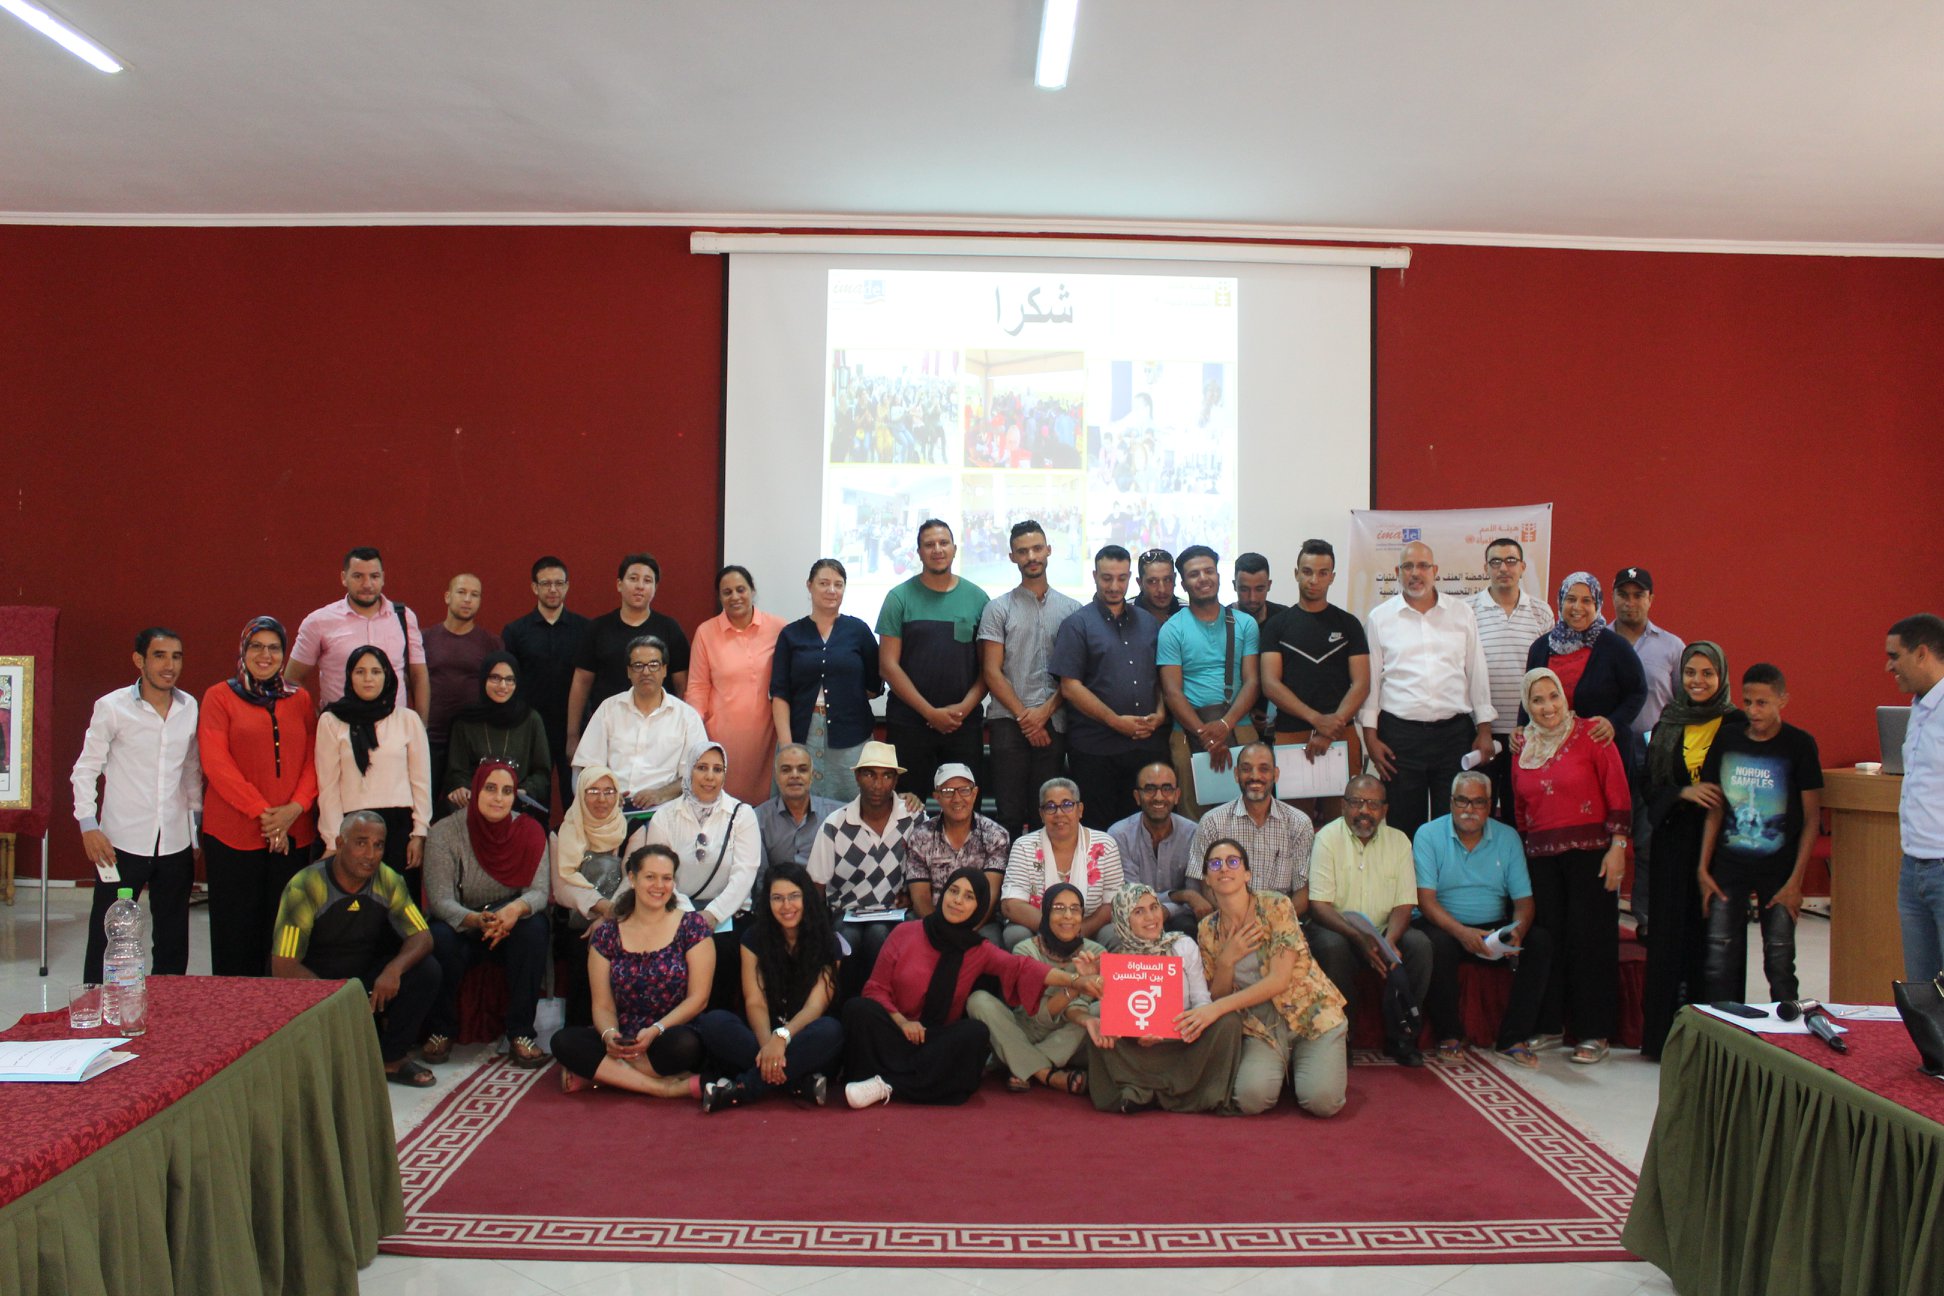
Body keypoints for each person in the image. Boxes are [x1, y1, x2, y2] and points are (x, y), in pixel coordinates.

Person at [840, 867, 1099, 1107]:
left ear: (978, 907)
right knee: (858, 1009)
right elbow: (875, 989)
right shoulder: (905, 932)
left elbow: (1022, 968)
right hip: (895, 1031)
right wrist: (902, 1022)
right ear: (943, 895)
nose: (957, 901)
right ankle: (913, 1082)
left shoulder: (978, 949)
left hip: (935, 1040)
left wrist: (1076, 981)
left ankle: (886, 1083)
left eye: (968, 896)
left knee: (974, 1035)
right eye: (953, 891)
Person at [1511, 668, 1632, 1065]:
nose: (1547, 707)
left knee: (1591, 941)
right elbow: (1521, 810)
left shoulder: (1593, 735)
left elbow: (1618, 792)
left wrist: (1618, 846)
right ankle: (1550, 1025)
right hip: (1542, 858)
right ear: (1527, 705)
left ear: (1565, 697)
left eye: (1553, 697)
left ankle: (1594, 1032)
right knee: (1550, 941)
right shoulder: (1522, 746)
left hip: (1592, 854)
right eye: (1538, 700)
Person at [270, 810, 440, 1087]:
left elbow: (423, 937)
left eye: (378, 845)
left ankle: (391, 1058)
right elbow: (283, 965)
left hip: (362, 980)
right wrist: (339, 1001)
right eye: (361, 842)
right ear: (340, 843)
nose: (370, 854)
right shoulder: (305, 885)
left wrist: (393, 970)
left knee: (426, 970)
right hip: (316, 984)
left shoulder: (388, 880)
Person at [72, 626, 202, 983]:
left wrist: (195, 834)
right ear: (139, 660)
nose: (169, 665)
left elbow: (191, 770)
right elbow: (85, 770)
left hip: (174, 841)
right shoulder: (112, 707)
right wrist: (88, 825)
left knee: (174, 936)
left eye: (176, 656)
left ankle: (168, 1005)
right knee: (108, 933)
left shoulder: (189, 707)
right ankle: (98, 1004)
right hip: (121, 841)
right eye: (160, 655)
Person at [1184, 838, 1348, 1116]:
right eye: (1215, 864)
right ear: (1207, 880)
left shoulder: (1275, 906)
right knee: (1251, 1099)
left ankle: (1306, 1063)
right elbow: (1220, 995)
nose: (1224, 868)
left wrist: (1213, 1009)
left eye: (1233, 861)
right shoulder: (1206, 930)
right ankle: (1285, 1067)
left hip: (1311, 1015)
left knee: (1322, 1102)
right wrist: (1226, 961)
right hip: (1261, 1027)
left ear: (1247, 873)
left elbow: (1278, 981)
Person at [198, 616, 319, 977]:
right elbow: (216, 763)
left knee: (284, 935)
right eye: (256, 646)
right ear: (243, 650)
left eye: (274, 647)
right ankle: (235, 1017)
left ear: (284, 654)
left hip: (293, 834)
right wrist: (266, 815)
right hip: (234, 835)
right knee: (236, 933)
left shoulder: (300, 699)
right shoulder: (219, 697)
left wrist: (294, 810)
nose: (265, 655)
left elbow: (314, 760)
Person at [1697, 663, 1823, 1005]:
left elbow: (1812, 819)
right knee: (1718, 959)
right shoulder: (1727, 738)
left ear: (1783, 700)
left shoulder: (1799, 745)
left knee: (1780, 961)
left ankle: (1787, 1039)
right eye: (1748, 701)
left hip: (1779, 871)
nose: (1753, 711)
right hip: (1728, 866)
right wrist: (1703, 868)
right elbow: (1715, 807)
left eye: (1762, 703)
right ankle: (1722, 1035)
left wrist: (1797, 881)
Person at [1639, 642, 1742, 1060]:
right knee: (1668, 938)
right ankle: (1664, 1039)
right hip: (1673, 842)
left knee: (1713, 940)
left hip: (1719, 847)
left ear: (1721, 677)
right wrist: (1684, 791)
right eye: (1690, 673)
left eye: (1707, 674)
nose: (1697, 681)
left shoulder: (1735, 724)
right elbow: (1649, 783)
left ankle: (1713, 1041)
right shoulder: (1669, 719)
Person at [1413, 772, 1554, 1067]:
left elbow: (1524, 902)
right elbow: (1426, 902)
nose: (1469, 809)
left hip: (1494, 925)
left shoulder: (1507, 837)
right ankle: (1450, 1035)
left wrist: (1517, 931)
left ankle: (1512, 1038)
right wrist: (1462, 933)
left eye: (1478, 803)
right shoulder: (1428, 835)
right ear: (1451, 802)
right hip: (1446, 925)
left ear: (1490, 806)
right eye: (1462, 801)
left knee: (1539, 941)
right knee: (1435, 944)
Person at [419, 761, 553, 1069]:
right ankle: (442, 1029)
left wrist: (512, 911)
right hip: (464, 922)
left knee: (534, 929)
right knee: (439, 937)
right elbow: (440, 900)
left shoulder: (529, 831)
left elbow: (538, 893)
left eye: (507, 791)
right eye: (490, 789)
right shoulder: (444, 832)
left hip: (510, 921)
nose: (498, 798)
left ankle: (521, 1034)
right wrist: (477, 920)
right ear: (476, 790)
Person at [552, 844, 713, 1098]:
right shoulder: (607, 933)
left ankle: (606, 1076)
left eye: (666, 878)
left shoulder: (692, 927)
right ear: (632, 878)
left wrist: (656, 1030)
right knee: (563, 1042)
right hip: (623, 1035)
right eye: (650, 877)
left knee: (686, 1046)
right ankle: (661, 1088)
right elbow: (603, 1006)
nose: (658, 886)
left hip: (669, 1031)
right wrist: (609, 1036)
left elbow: (699, 999)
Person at [1360, 541, 1497, 839]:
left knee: (1456, 822)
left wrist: (1484, 729)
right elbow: (1372, 682)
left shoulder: (1461, 614)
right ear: (1397, 572)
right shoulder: (1380, 618)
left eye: (1423, 566)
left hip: (1454, 737)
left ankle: (1449, 886)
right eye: (1408, 566)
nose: (1415, 573)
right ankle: (1410, 886)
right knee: (1404, 824)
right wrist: (1370, 738)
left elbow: (1476, 673)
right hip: (1400, 739)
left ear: (1435, 571)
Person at [1081, 883, 1244, 1113]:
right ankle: (1156, 1092)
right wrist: (1135, 1032)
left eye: (1154, 907)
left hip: (1184, 1045)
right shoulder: (1118, 959)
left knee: (1229, 1022)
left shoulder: (1183, 945)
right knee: (1097, 1019)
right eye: (1138, 911)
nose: (1151, 917)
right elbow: (1119, 1017)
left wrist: (1190, 1025)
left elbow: (1201, 1000)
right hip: (1139, 1052)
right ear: (1123, 919)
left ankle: (1144, 1091)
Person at [694, 862, 845, 1110]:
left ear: (807, 898)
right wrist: (768, 1048)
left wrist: (782, 1039)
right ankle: (797, 1084)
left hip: (802, 1035)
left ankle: (742, 1089)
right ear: (768, 902)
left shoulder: (829, 941)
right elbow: (754, 1000)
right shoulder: (753, 938)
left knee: (831, 1031)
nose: (786, 906)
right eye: (778, 898)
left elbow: (816, 1006)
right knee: (714, 1022)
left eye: (794, 897)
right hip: (761, 1034)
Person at [1304, 773, 1431, 1064]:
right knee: (1332, 947)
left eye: (1373, 805)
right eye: (1357, 802)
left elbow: (1404, 903)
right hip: (1338, 929)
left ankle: (1402, 1037)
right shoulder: (1326, 839)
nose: (1364, 811)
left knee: (1421, 946)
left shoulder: (1399, 842)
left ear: (1384, 810)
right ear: (1343, 805)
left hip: (1386, 930)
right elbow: (1319, 905)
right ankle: (1341, 1038)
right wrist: (1357, 937)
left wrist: (1388, 943)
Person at [636, 740, 761, 1009]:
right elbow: (658, 875)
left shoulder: (742, 814)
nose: (710, 776)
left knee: (726, 953)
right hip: (675, 911)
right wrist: (689, 916)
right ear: (689, 771)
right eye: (702, 767)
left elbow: (745, 874)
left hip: (728, 915)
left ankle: (719, 1030)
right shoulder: (665, 817)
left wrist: (713, 914)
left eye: (718, 769)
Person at [1051, 545, 1169, 830]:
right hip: (1096, 749)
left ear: (1130, 577)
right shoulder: (1077, 624)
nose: (1114, 586)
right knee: (1100, 831)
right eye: (1107, 578)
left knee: (1143, 829)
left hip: (1145, 746)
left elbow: (1160, 677)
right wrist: (1115, 722)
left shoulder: (1149, 623)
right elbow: (1070, 687)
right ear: (1094, 576)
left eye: (1121, 578)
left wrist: (1162, 712)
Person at [978, 520, 1082, 838]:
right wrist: (1027, 718)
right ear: (1012, 557)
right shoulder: (998, 609)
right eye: (1023, 551)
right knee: (1007, 814)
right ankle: (1007, 885)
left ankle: (1044, 886)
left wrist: (1043, 714)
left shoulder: (1072, 610)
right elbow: (991, 671)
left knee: (1048, 815)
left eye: (1037, 548)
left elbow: (1073, 674)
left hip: (1055, 722)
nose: (1031, 556)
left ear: (1048, 550)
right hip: (1008, 723)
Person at [1260, 540, 1370, 827]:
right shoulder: (1277, 625)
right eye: (1307, 571)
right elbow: (1270, 683)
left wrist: (1331, 726)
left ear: (1332, 576)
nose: (1314, 580)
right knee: (1293, 826)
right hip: (1291, 737)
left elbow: (1361, 684)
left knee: (1345, 826)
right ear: (1296, 573)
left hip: (1340, 736)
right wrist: (1317, 720)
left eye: (1323, 573)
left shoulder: (1349, 624)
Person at [876, 519, 990, 796]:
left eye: (943, 543)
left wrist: (961, 710)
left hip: (963, 724)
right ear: (919, 552)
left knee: (964, 809)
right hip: (909, 724)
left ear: (954, 549)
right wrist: (929, 712)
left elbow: (989, 669)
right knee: (907, 809)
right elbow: (888, 666)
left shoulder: (978, 599)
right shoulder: (898, 598)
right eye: (929, 544)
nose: (937, 549)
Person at [806, 742, 922, 999]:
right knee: (849, 939)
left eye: (886, 776)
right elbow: (816, 885)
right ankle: (850, 1009)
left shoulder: (913, 818)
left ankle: (877, 1007)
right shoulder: (835, 824)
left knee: (879, 934)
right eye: (870, 774)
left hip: (897, 913)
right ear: (857, 776)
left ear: (895, 780)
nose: (878, 784)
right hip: (846, 914)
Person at [967, 882, 1100, 1095]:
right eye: (1059, 908)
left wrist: (1078, 991)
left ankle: (1020, 1062)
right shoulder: (1025, 949)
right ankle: (1047, 1074)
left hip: (1067, 1039)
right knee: (978, 1000)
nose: (1068, 916)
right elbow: (1038, 1016)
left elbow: (1079, 1010)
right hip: (1024, 1030)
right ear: (1045, 913)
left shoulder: (1095, 953)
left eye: (1075, 909)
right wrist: (1076, 982)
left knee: (1101, 1011)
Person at [316, 646, 431, 889]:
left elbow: (421, 781)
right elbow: (328, 786)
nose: (368, 678)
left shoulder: (408, 719)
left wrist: (419, 833)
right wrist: (333, 840)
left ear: (388, 676)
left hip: (399, 829)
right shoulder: (332, 720)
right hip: (352, 825)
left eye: (376, 671)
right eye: (360, 671)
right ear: (349, 676)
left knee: (398, 909)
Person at [1158, 545, 1260, 818]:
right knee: (1194, 818)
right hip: (1188, 731)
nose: (1203, 578)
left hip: (1240, 725)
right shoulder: (1172, 629)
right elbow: (1172, 691)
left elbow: (1252, 682)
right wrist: (1208, 738)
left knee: (1248, 813)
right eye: (1194, 574)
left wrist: (1226, 725)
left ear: (1218, 574)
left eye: (1208, 571)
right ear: (1183, 583)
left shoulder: (1245, 623)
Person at [770, 558, 882, 803]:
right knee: (799, 806)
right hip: (802, 736)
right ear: (809, 586)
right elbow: (780, 694)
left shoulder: (858, 631)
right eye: (824, 583)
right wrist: (787, 747)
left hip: (851, 739)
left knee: (850, 810)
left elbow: (875, 685)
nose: (832, 590)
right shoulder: (790, 635)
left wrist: (846, 695)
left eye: (838, 584)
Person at [1609, 566, 1683, 938]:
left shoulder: (1672, 647)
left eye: (1639, 594)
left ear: (1651, 599)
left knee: (1650, 839)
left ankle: (1647, 918)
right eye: (1624, 594)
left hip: (1655, 758)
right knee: (1607, 837)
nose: (1631, 601)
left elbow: (1684, 704)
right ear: (1613, 597)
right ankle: (1604, 916)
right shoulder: (1596, 641)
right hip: (1607, 755)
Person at [571, 636, 708, 824]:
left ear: (664, 669)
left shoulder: (687, 717)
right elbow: (586, 766)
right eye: (638, 665)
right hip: (610, 811)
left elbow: (696, 775)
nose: (646, 672)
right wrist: (605, 793)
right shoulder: (609, 709)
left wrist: (661, 794)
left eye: (653, 665)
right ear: (628, 671)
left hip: (664, 814)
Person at [567, 553, 691, 760]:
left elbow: (682, 685)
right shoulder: (598, 628)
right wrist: (572, 735)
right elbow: (581, 681)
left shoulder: (670, 629)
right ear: (619, 584)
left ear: (655, 588)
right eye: (633, 579)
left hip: (658, 732)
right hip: (607, 730)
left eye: (647, 580)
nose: (640, 586)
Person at [287, 546, 429, 720]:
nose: (367, 584)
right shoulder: (318, 621)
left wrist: (421, 727)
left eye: (374, 576)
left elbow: (419, 675)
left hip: (395, 733)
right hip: (340, 733)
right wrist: (317, 722)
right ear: (343, 578)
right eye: (358, 576)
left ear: (383, 578)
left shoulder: (404, 617)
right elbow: (292, 679)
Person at [1468, 537, 1554, 824]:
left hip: (1529, 732)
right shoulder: (1467, 611)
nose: (1503, 568)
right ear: (1485, 568)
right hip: (1481, 732)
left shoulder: (1541, 612)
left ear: (1523, 567)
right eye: (1495, 562)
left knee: (1523, 813)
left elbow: (1548, 673)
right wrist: (1481, 727)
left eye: (1510, 561)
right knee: (1481, 810)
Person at [686, 565, 786, 805]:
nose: (735, 597)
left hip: (767, 736)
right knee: (724, 806)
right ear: (719, 597)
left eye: (740, 589)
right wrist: (694, 732)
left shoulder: (778, 627)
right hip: (722, 736)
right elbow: (698, 687)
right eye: (727, 592)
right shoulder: (706, 632)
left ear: (752, 590)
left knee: (765, 808)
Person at [1518, 572, 1646, 752]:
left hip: (1602, 750)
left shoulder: (1616, 647)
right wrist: (1521, 727)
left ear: (1597, 605)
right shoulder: (1541, 647)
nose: (1577, 607)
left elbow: (1637, 692)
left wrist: (1614, 723)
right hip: (1551, 750)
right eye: (1571, 599)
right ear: (1561, 601)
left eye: (1586, 601)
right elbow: (1529, 694)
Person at [500, 556, 591, 804]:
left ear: (567, 586)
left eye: (559, 583)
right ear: (534, 587)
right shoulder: (516, 631)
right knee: (533, 798)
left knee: (575, 798)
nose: (553, 589)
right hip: (530, 727)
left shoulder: (585, 630)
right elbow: (508, 684)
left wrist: (581, 730)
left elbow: (590, 682)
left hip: (574, 728)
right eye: (546, 583)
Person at [999, 778, 1125, 947]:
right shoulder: (1024, 846)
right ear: (1041, 815)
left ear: (1080, 810)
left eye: (1067, 804)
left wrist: (1080, 930)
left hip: (1087, 929)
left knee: (1115, 933)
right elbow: (1011, 904)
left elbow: (1113, 902)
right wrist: (1054, 929)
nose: (1059, 813)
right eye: (1050, 807)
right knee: (1015, 934)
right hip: (1040, 929)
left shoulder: (1105, 844)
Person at [1188, 743, 1316, 910]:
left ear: (1275, 775)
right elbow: (1206, 886)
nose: (1255, 776)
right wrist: (1238, 922)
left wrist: (1275, 924)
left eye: (1264, 769)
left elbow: (1302, 891)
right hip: (1230, 921)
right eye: (1246, 769)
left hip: (1281, 922)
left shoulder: (1299, 823)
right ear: (1236, 774)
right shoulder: (1212, 822)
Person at [1889, 614, 1944, 982]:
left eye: (1895, 655)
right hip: (1913, 869)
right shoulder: (1919, 707)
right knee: (1924, 996)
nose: (1889, 665)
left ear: (1921, 653)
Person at [1107, 761, 1208, 938]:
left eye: (1167, 789)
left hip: (1180, 918)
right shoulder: (1119, 835)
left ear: (1177, 795)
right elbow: (1131, 898)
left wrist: (1167, 910)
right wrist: (1180, 895)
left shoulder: (1193, 833)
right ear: (1137, 797)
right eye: (1150, 789)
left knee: (1189, 927)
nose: (1159, 797)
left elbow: (1196, 900)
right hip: (1133, 919)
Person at [441, 653, 552, 812]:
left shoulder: (530, 719)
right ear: (483, 680)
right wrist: (461, 787)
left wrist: (523, 791)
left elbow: (542, 773)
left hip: (517, 805)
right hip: (475, 804)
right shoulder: (466, 721)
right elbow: (456, 771)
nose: (502, 686)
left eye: (509, 679)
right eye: (495, 678)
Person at [422, 573, 503, 787]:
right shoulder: (425, 639)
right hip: (432, 737)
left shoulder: (491, 643)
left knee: (467, 808)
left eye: (474, 595)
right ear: (447, 597)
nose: (468, 599)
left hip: (473, 741)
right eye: (461, 592)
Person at [902, 763, 1010, 922]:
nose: (957, 798)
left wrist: (965, 934)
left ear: (975, 793)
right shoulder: (920, 836)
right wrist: (939, 932)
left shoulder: (996, 835)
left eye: (964, 790)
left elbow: (990, 895)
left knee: (991, 938)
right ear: (936, 796)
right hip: (933, 920)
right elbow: (920, 897)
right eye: (947, 792)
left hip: (980, 921)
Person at [756, 744, 845, 870]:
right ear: (776, 777)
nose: (795, 775)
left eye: (802, 769)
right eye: (786, 770)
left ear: (812, 776)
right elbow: (759, 877)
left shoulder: (837, 815)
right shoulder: (758, 818)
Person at [1232, 552, 1285, 737]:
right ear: (1234, 586)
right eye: (1244, 589)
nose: (1252, 597)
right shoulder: (1222, 622)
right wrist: (1245, 712)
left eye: (1259, 588)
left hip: (1282, 721)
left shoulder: (1285, 620)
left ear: (1269, 585)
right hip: (1235, 721)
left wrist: (1276, 714)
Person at [1134, 548, 1181, 625]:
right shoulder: (1124, 614)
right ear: (1140, 583)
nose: (1162, 589)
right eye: (1152, 581)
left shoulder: (1189, 612)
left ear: (1175, 579)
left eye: (1167, 580)